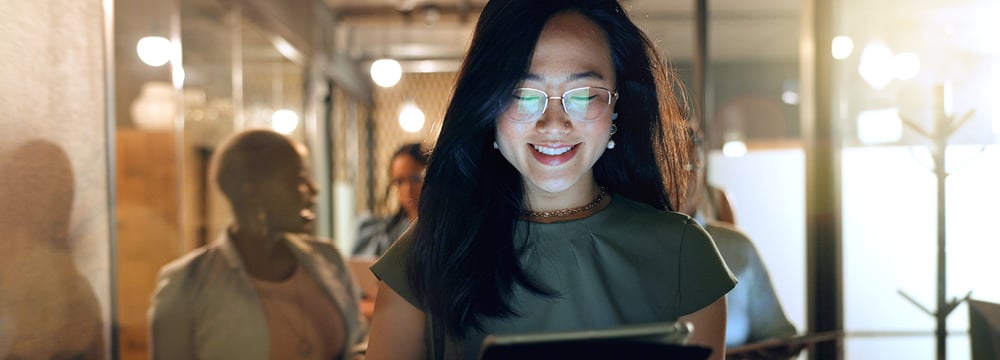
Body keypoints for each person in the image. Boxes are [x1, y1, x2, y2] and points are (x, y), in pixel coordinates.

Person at [365, 1, 736, 359]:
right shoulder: (427, 252)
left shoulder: (684, 256)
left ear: (617, 106)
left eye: (584, 95)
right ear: (487, 105)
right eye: (523, 95)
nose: (554, 124)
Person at [149, 129, 367, 360]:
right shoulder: (187, 282)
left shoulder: (327, 257)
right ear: (253, 192)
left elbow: (360, 343)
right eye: (298, 180)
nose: (313, 191)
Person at [680, 124, 800, 359]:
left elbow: (778, 333)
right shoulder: (634, 241)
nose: (685, 177)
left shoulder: (737, 247)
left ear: (703, 172)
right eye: (673, 166)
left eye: (692, 166)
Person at [352, 143, 428, 257]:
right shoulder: (383, 233)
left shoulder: (443, 230)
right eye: (399, 181)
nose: (408, 189)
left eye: (416, 179)